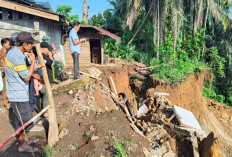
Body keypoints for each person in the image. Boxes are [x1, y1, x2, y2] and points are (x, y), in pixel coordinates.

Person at [5, 31, 39, 153]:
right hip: (18, 94)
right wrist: (34, 60)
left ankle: (25, 141)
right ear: (24, 44)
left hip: (20, 92)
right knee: (23, 122)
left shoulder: (17, 53)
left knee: (24, 120)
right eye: (31, 44)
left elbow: (24, 71)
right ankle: (22, 145)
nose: (32, 46)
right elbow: (26, 77)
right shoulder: (16, 56)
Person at [0, 38, 11, 109]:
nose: (9, 45)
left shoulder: (7, 51)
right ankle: (6, 103)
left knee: (9, 86)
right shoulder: (2, 51)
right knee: (5, 87)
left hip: (8, 71)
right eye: (8, 43)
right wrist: (3, 67)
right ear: (3, 44)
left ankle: (9, 100)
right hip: (5, 71)